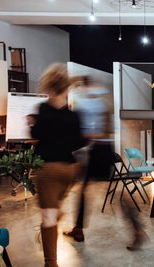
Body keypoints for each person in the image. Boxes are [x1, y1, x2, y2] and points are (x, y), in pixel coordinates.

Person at [29, 63, 87, 267]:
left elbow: (36, 134)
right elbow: (80, 142)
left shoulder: (43, 110)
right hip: (70, 170)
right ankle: (50, 226)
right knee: (54, 210)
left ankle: (50, 263)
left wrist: (32, 125)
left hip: (48, 169)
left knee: (49, 216)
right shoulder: (74, 115)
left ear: (50, 87)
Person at [63, 76, 113, 242]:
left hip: (98, 149)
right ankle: (78, 229)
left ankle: (136, 228)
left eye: (80, 86)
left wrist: (86, 136)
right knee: (84, 189)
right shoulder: (100, 101)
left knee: (92, 189)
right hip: (97, 149)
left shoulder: (92, 103)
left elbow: (105, 131)